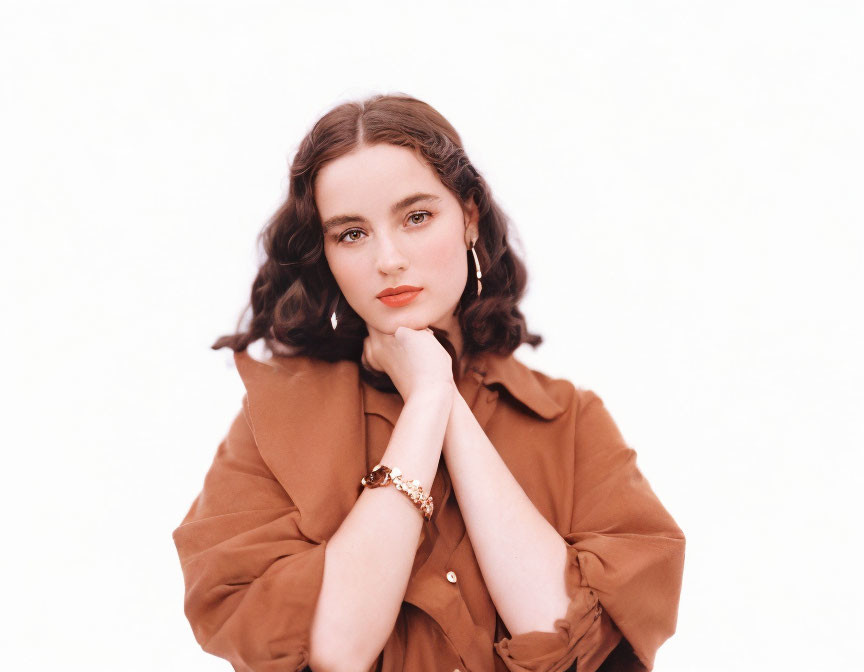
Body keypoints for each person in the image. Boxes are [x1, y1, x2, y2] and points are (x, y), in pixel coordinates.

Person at [171, 93, 686, 672]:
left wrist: (440, 393)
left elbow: (568, 642)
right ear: (326, 254)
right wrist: (426, 406)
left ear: (468, 215)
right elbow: (338, 648)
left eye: (416, 217)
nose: (388, 259)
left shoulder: (570, 421)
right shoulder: (270, 427)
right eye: (351, 234)